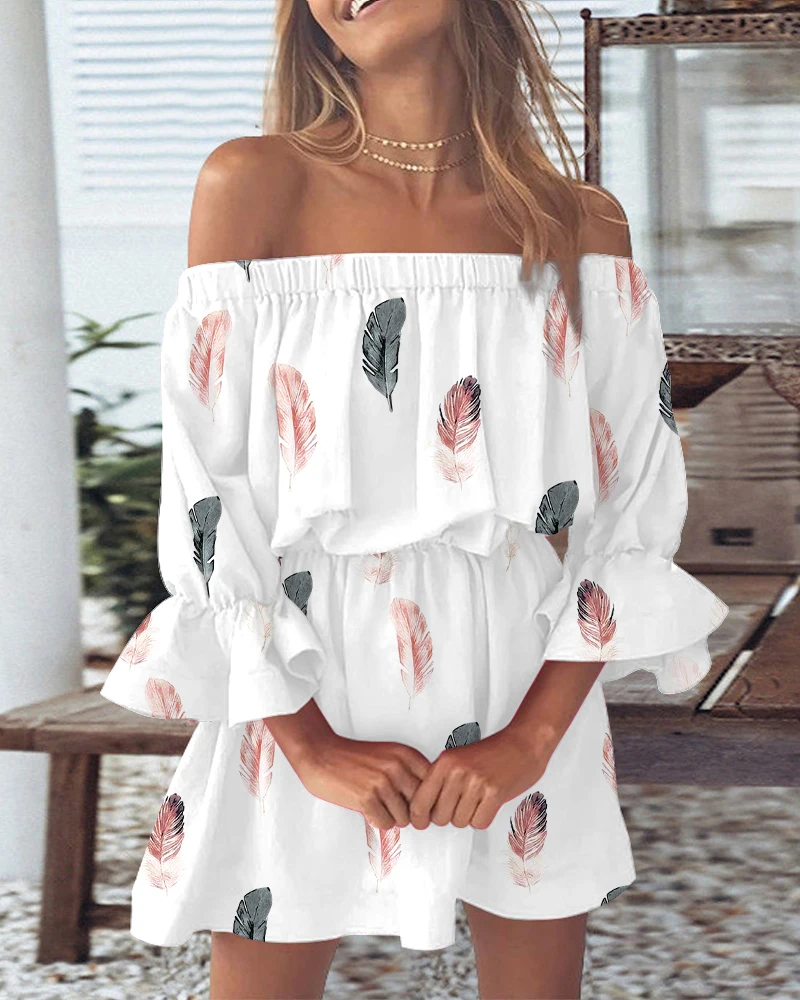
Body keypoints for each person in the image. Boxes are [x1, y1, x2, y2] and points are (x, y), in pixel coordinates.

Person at [100, 1, 730, 997]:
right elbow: (209, 486)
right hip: (302, 666)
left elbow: (626, 510)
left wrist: (531, 737)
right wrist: (308, 743)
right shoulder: (253, 182)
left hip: (525, 666)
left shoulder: (578, 223)